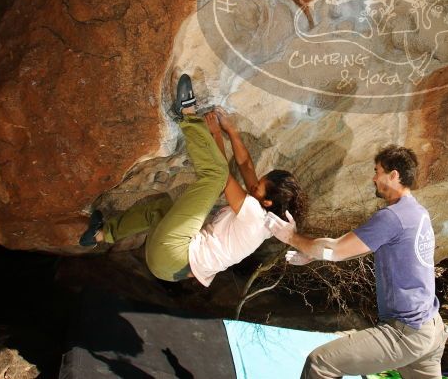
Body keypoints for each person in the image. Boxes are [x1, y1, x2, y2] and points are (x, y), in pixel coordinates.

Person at [78, 74, 306, 287]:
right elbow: (245, 165)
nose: (253, 184)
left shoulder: (255, 218)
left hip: (174, 254)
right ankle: (100, 234)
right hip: (167, 269)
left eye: (258, 186)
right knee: (161, 208)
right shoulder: (266, 215)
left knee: (214, 177)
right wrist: (231, 131)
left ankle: (185, 113)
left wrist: (215, 133)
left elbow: (221, 176)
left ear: (266, 202)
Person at [265, 145, 448, 379]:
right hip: (431, 328)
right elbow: (354, 246)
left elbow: (337, 249)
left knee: (320, 364)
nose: (373, 178)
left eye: (377, 171)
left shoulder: (392, 217)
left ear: (393, 176)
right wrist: (314, 253)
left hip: (406, 331)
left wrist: (291, 237)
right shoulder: (417, 212)